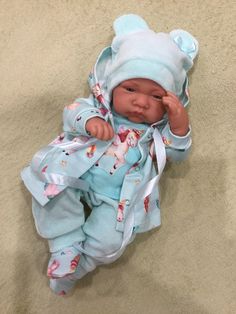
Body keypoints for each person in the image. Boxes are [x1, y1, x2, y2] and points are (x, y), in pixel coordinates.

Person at [21, 14, 198, 295]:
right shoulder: (100, 109)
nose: (141, 102)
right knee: (51, 190)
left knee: (112, 240)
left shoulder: (155, 133)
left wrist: (178, 125)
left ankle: (79, 265)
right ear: (111, 86)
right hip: (75, 171)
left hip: (119, 199)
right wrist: (90, 120)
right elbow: (72, 111)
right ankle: (65, 244)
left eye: (156, 97)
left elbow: (177, 156)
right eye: (130, 89)